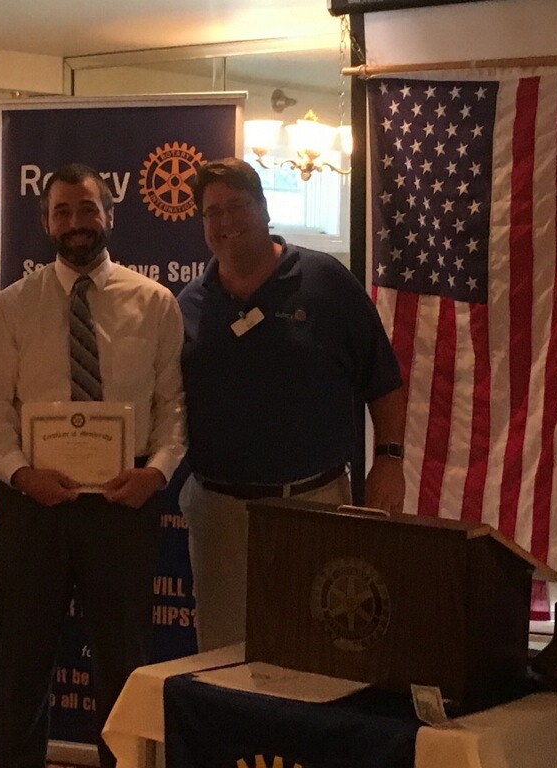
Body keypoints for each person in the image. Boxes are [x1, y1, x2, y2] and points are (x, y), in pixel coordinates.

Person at [0, 163, 186, 768]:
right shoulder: (13, 307)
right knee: (21, 663)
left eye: (88, 209)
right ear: (44, 222)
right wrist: (20, 473)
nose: (76, 222)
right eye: (62, 211)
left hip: (123, 502)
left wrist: (156, 472)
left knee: (122, 662)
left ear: (109, 215)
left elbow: (173, 406)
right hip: (32, 503)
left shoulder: (155, 303)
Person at [178, 157, 406, 652]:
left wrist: (389, 459)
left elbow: (384, 378)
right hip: (219, 516)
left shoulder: (325, 282)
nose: (226, 221)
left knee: (318, 651)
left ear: (264, 208)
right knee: (223, 659)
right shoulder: (188, 306)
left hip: (314, 503)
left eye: (237, 206)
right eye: (212, 212)